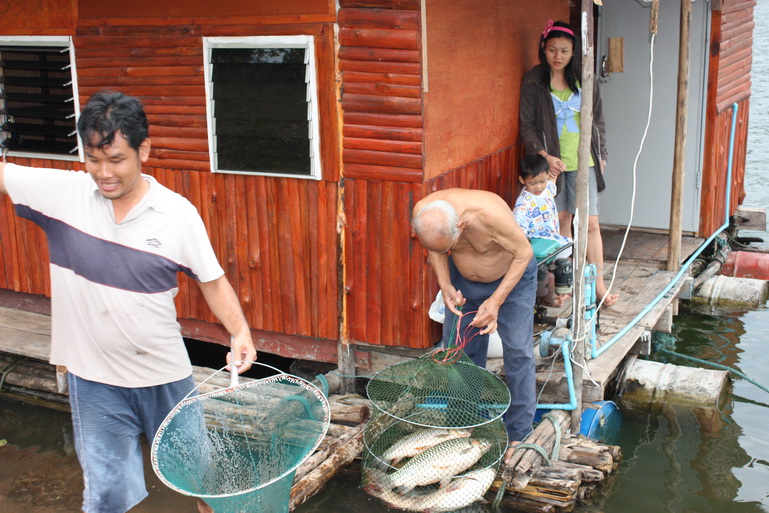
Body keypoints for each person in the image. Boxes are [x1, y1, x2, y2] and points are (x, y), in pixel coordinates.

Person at [0, 91, 256, 513]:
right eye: (93, 159)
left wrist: (239, 330)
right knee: (106, 496)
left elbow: (211, 281)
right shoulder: (61, 194)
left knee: (200, 480)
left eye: (116, 159)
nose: (103, 173)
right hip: (94, 380)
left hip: (165, 376)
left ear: (144, 151)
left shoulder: (177, 215)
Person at [412, 188, 537, 461]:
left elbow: (523, 253)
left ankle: (519, 432)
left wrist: (495, 302)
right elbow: (435, 249)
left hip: (510, 281)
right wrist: (445, 285)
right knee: (458, 352)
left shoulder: (489, 215)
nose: (446, 251)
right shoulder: (426, 211)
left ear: (461, 225)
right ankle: (462, 423)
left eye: (450, 246)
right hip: (462, 280)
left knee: (518, 351)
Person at [519, 19, 619, 306]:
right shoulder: (533, 80)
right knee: (562, 221)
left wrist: (602, 155)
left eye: (564, 50)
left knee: (590, 224)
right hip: (551, 163)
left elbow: (598, 119)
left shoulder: (584, 77)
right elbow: (527, 125)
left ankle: (599, 284)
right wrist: (544, 156)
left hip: (583, 160)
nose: (558, 56)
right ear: (543, 49)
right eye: (552, 50)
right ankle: (567, 286)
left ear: (573, 51)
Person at [514, 153, 570, 247]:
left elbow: (552, 179)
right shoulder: (523, 203)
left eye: (542, 181)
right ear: (522, 180)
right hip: (537, 245)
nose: (539, 187)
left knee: (568, 248)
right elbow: (517, 228)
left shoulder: (547, 188)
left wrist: (559, 168)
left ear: (547, 174)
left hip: (553, 238)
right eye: (533, 183)